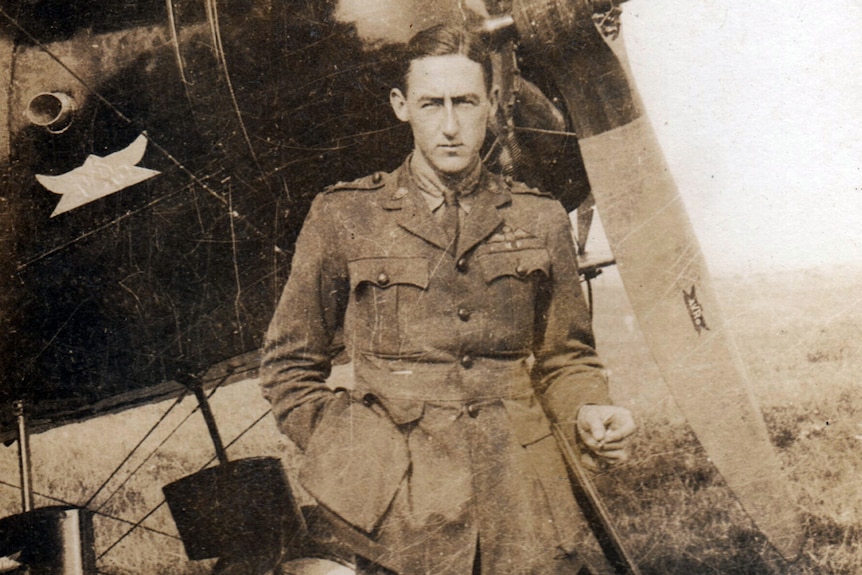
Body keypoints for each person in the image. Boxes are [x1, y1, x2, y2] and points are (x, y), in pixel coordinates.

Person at [260, 22, 636, 575]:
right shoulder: (344, 216)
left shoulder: (540, 217)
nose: (452, 126)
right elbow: (289, 365)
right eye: (432, 104)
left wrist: (590, 408)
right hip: (389, 515)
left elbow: (566, 358)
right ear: (400, 106)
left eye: (466, 102)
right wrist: (355, 458)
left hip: (523, 501)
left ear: (494, 103)